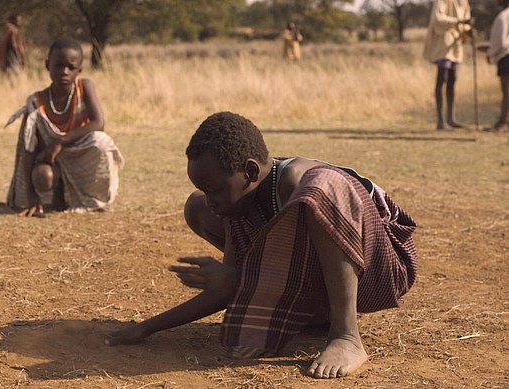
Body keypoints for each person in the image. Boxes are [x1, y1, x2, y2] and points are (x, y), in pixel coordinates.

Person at [105, 112, 418, 379]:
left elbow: (236, 280)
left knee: (322, 185)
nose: (212, 201)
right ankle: (314, 314)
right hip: (320, 278)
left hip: (382, 270)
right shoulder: (241, 206)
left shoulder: (294, 180)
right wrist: (147, 328)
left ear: (251, 173)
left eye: (215, 190)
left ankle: (346, 335)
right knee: (196, 207)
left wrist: (239, 279)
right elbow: (228, 287)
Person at [5, 36, 124, 217]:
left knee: (101, 141)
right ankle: (57, 191)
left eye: (71, 67)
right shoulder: (36, 102)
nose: (64, 72)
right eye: (58, 66)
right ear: (47, 65)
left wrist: (60, 141)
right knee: (43, 177)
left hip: (78, 158)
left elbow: (99, 122)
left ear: (79, 70)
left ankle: (91, 199)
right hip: (49, 162)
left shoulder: (85, 87)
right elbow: (28, 149)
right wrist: (31, 195)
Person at [423, 0, 477, 130]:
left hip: (456, 44)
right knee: (442, 78)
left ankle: (451, 118)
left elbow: (466, 19)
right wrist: (459, 22)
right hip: (444, 43)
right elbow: (437, 19)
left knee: (453, 79)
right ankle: (441, 120)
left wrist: (469, 30)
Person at [476, 0, 509, 131]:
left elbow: (501, 43)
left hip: (505, 58)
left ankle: (503, 121)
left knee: (506, 91)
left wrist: (490, 52)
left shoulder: (503, 17)